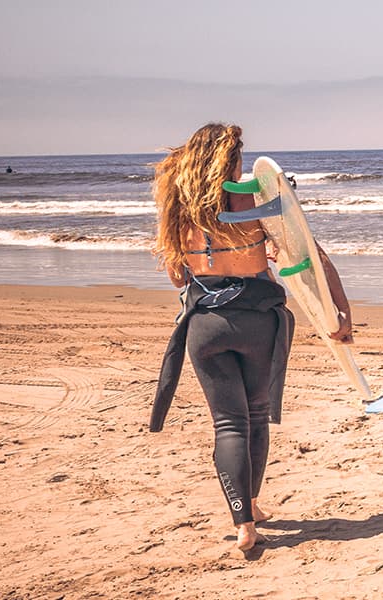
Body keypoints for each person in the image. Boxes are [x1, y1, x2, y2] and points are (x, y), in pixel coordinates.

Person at [146, 123, 353, 552]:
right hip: (258, 324)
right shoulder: (255, 200)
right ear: (231, 160)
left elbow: (175, 276)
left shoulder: (178, 208)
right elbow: (312, 256)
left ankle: (244, 523)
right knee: (255, 416)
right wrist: (340, 310)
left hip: (205, 328)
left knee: (227, 424)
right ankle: (253, 503)